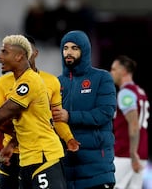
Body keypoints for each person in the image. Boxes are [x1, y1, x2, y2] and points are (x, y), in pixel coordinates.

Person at [0, 34, 67, 189]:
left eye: (5, 52)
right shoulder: (15, 83)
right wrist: (11, 143)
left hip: (43, 155)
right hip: (26, 157)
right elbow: (20, 123)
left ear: (20, 56)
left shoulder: (30, 82)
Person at [0, 35, 80, 189]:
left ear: (35, 53)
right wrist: (11, 143)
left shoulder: (51, 82)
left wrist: (68, 138)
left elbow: (55, 117)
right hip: (13, 155)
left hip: (38, 152)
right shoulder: (4, 82)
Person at [52, 30, 117, 189]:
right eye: (65, 48)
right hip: (66, 168)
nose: (69, 52)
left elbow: (104, 113)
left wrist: (70, 117)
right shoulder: (56, 82)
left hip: (96, 169)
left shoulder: (102, 78)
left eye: (75, 48)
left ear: (85, 50)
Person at [110, 55, 150, 189]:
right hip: (141, 154)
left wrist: (133, 154)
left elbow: (133, 125)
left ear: (125, 71)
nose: (111, 73)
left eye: (114, 69)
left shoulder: (126, 93)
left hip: (126, 154)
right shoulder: (140, 92)